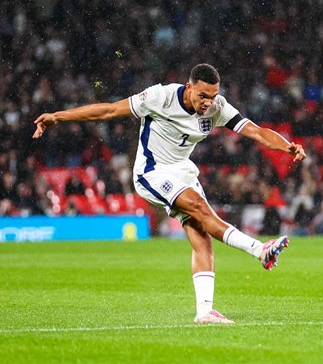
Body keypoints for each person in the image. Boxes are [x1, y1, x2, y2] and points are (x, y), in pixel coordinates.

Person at [33, 63, 306, 324]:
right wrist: (58, 117)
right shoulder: (159, 97)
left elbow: (256, 132)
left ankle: (204, 312)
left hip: (182, 172)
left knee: (201, 237)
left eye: (212, 96)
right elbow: (108, 111)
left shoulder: (217, 107)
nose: (207, 103)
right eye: (202, 96)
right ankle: (260, 250)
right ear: (188, 87)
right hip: (152, 172)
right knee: (200, 208)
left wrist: (288, 147)